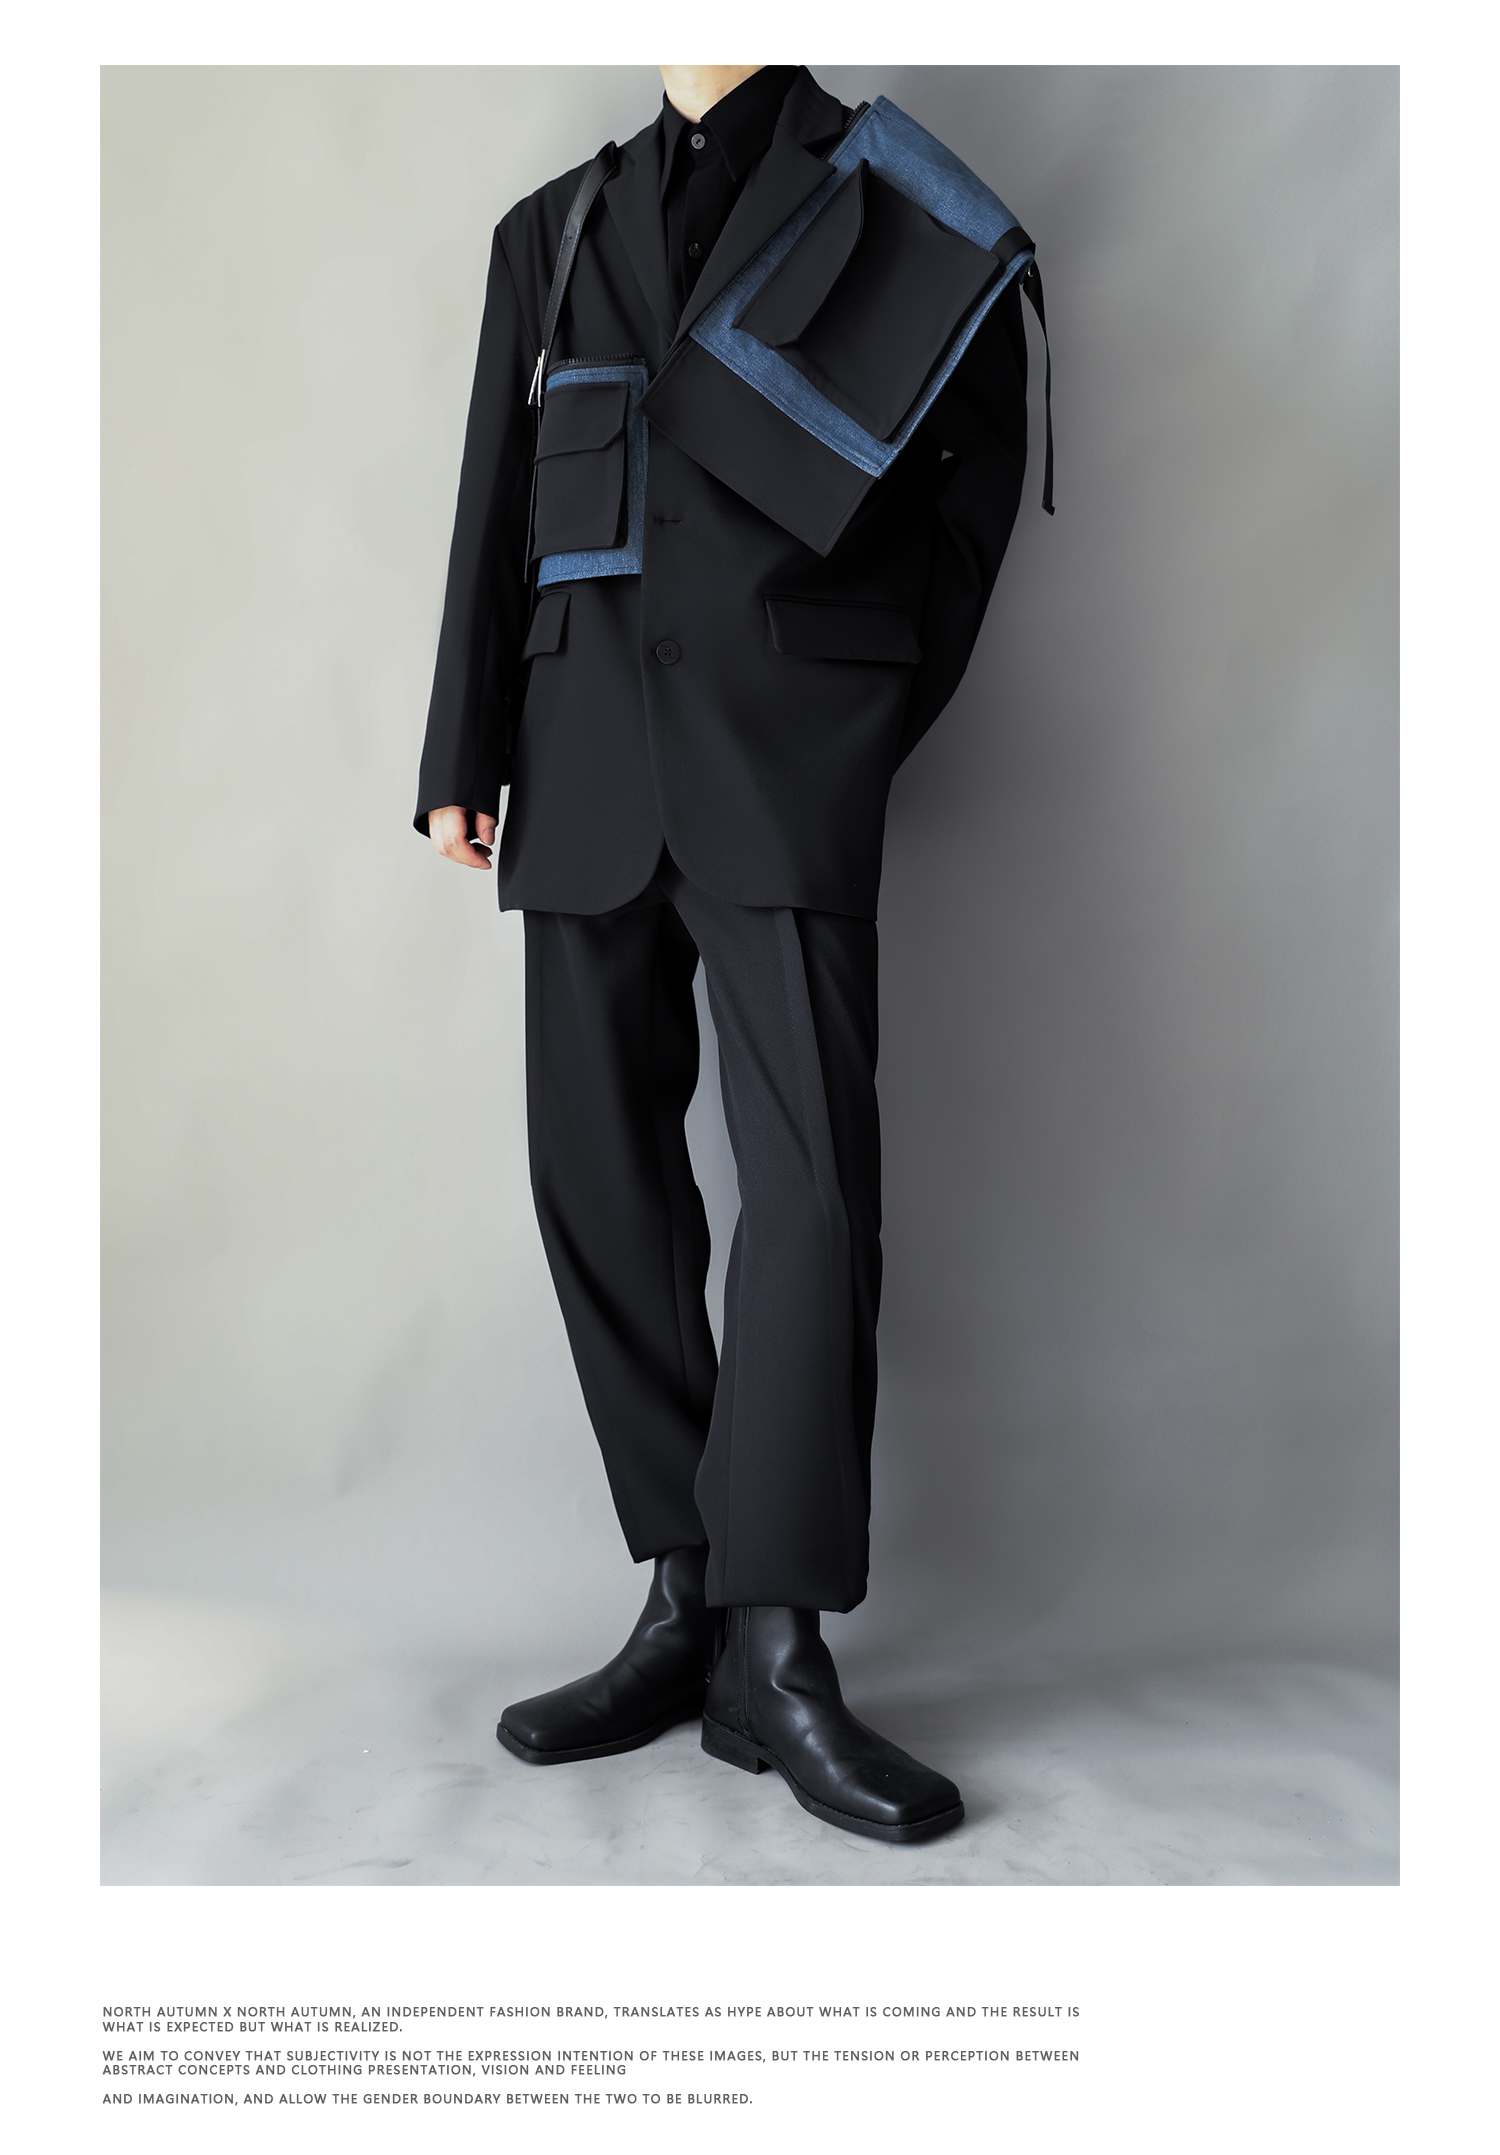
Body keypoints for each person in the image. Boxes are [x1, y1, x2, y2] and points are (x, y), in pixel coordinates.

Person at [416, 63, 1038, 1844]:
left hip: (781, 768)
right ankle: (683, 1599)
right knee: (596, 1179)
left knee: (812, 1193)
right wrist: (463, 751)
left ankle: (781, 1645)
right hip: (580, 759)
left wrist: (858, 712)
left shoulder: (893, 194)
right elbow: (494, 500)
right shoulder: (550, 232)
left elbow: (972, 483)